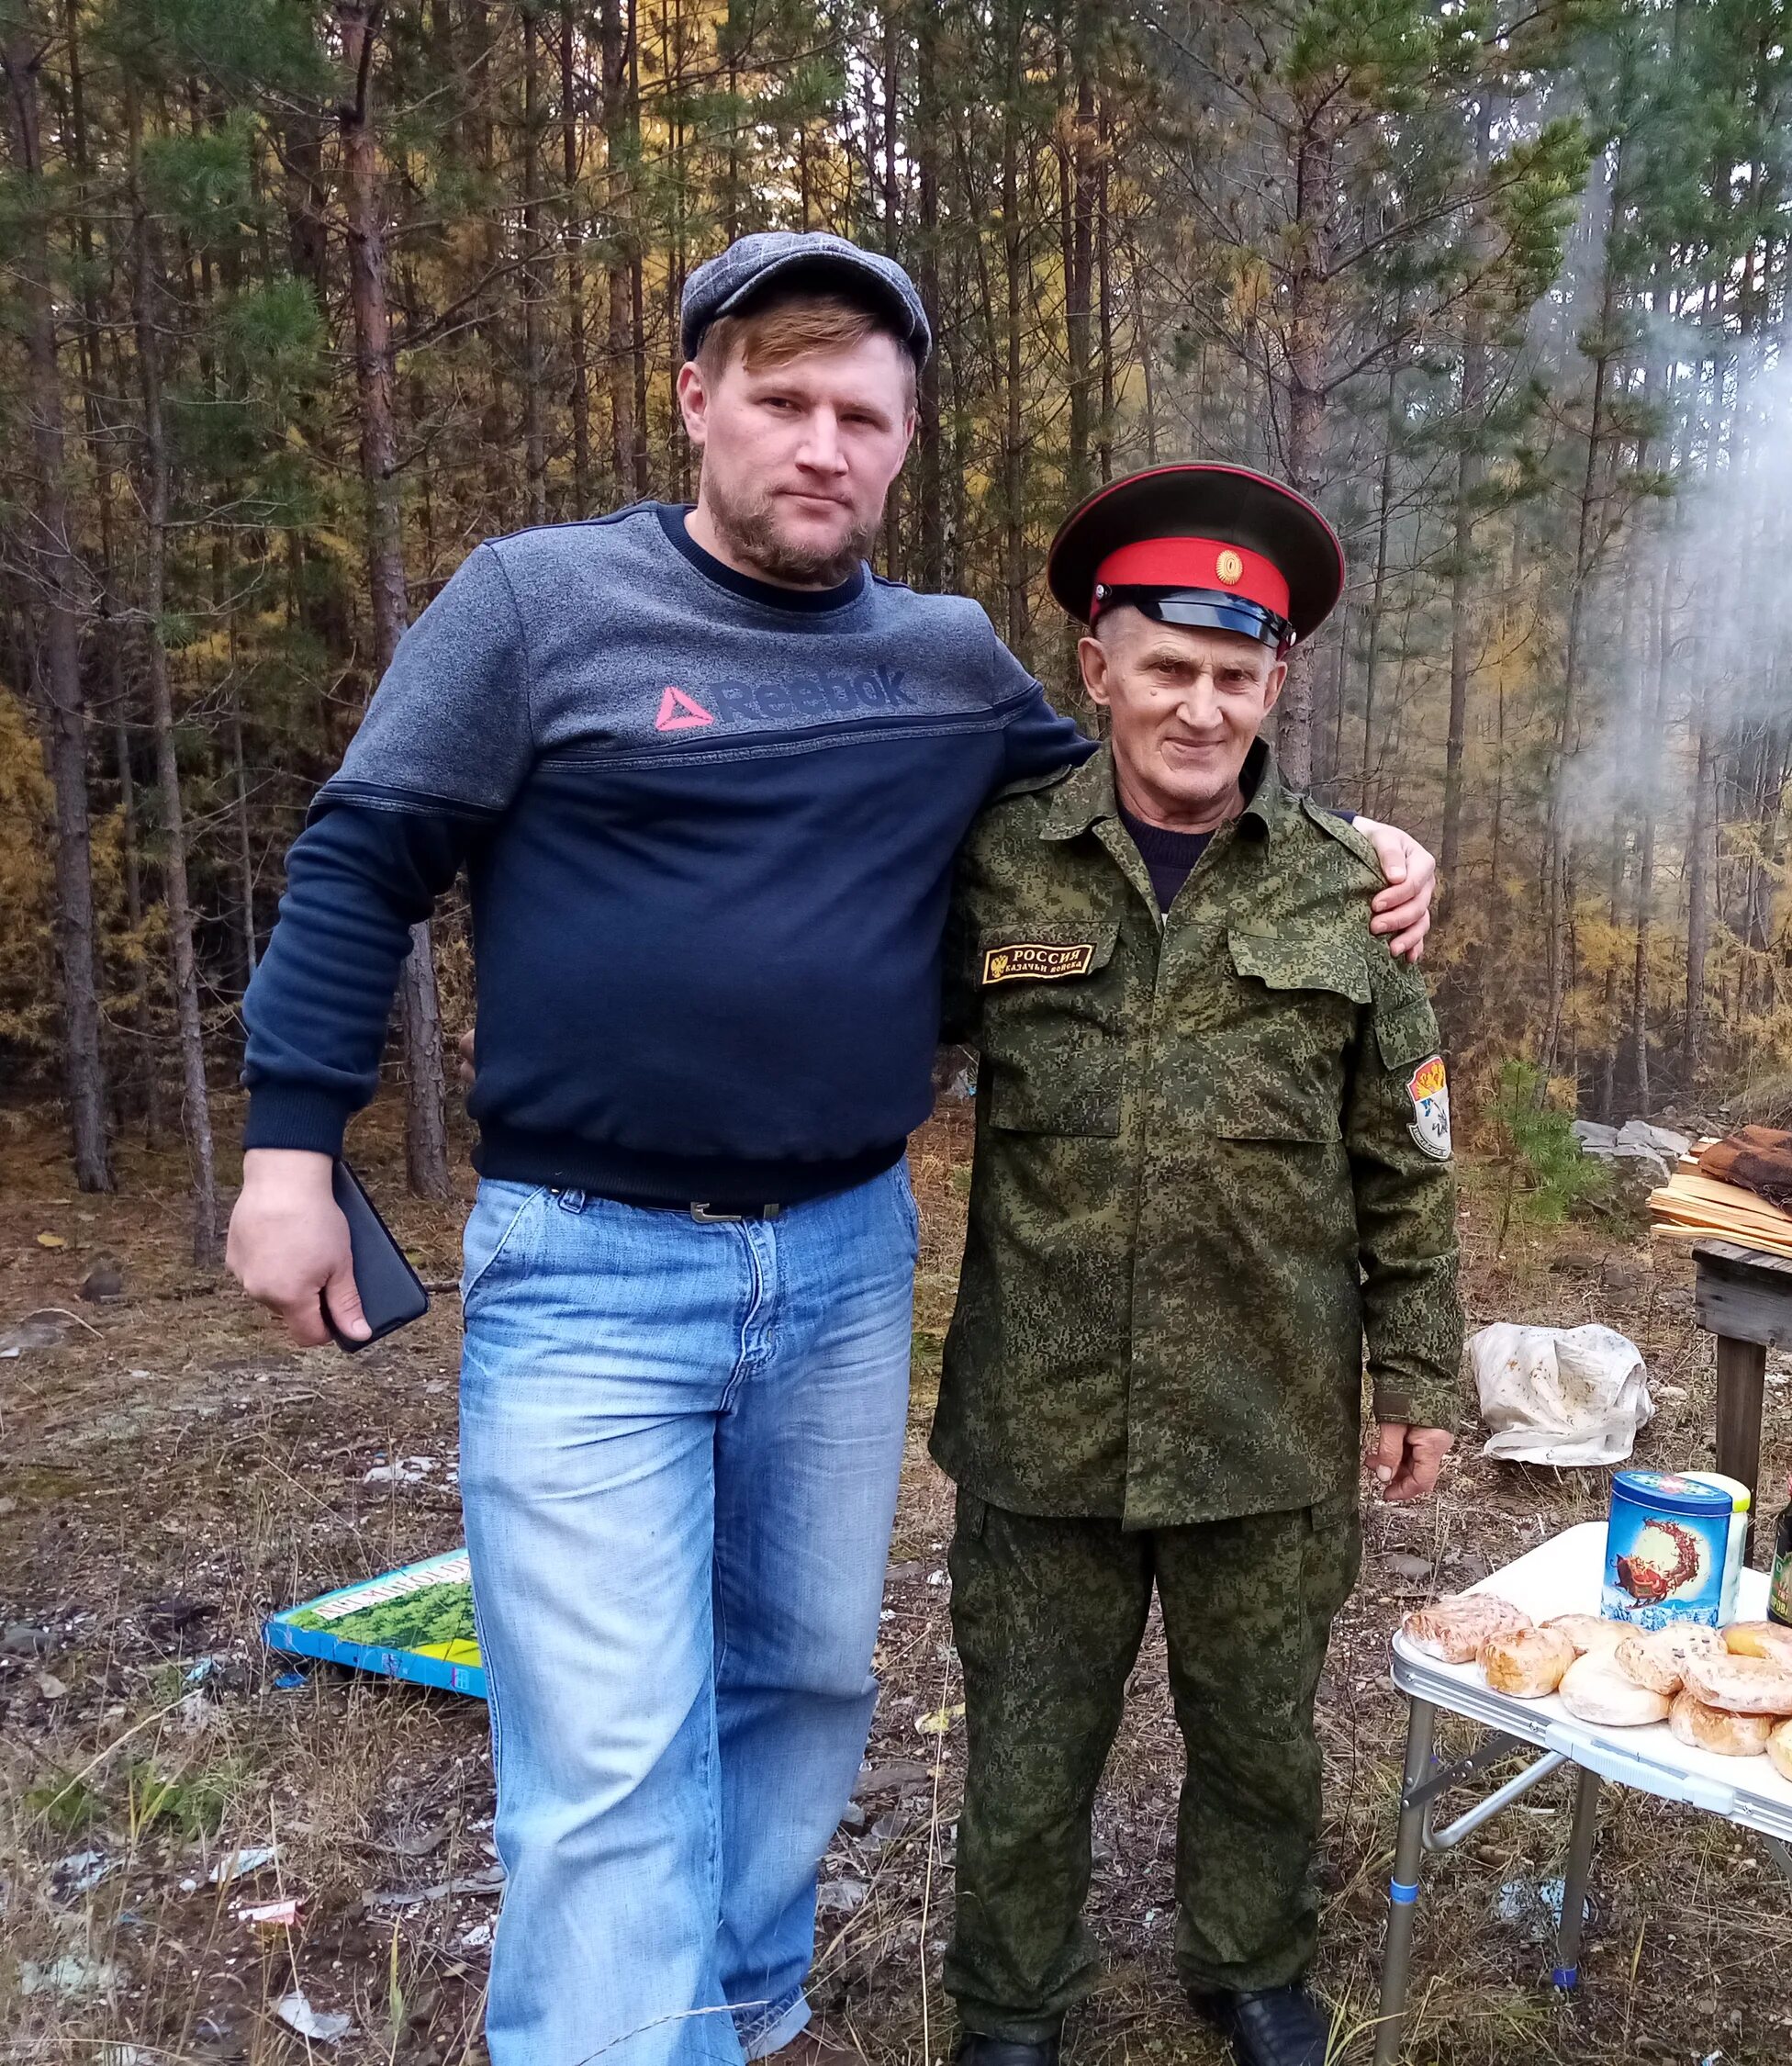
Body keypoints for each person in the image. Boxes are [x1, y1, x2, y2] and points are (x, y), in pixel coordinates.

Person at [225, 233, 1437, 2066]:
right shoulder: (535, 606)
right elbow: (360, 853)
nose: (821, 441)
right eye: (781, 398)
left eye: (860, 414)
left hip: (846, 1267)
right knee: (614, 1749)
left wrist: (1371, 850)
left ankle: (740, 2005)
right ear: (697, 399)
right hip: (591, 1262)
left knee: (803, 1683)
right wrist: (289, 1149)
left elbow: (1154, 794)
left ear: (903, 444)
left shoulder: (944, 662)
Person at [931, 464, 1463, 2066]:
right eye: (1168, 665)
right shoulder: (997, 861)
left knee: (1258, 1735)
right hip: (1044, 1413)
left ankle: (1252, 1964)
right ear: (1098, 665)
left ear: (1277, 681)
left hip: (1268, 1405)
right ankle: (1013, 2000)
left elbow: (1408, 1155)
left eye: (1238, 673)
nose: (1201, 706)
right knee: (1027, 1744)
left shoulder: (1348, 888)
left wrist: (1422, 1369)